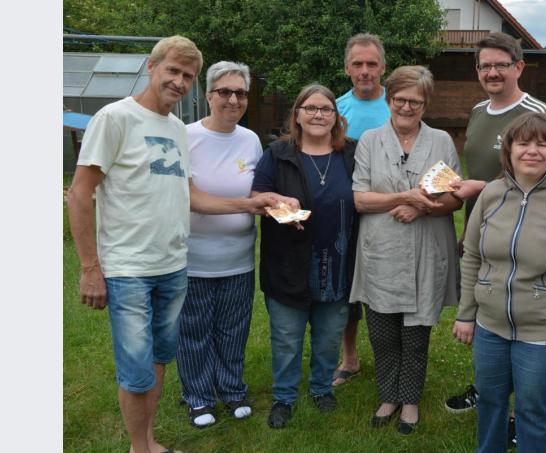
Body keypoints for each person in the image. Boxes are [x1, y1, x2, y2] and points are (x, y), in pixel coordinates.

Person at [67, 36, 275, 453]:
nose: (179, 82)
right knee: (137, 370)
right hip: (128, 268)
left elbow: (191, 196)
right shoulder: (115, 118)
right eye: (173, 71)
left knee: (160, 359)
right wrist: (91, 268)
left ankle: (146, 443)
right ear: (152, 66)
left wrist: (253, 204)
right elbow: (79, 192)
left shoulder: (176, 128)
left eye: (188, 76)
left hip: (173, 265)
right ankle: (139, 448)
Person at [452, 111, 546, 452]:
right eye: (523, 143)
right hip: (490, 326)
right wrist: (465, 313)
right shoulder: (491, 194)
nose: (532, 151)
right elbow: (473, 254)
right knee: (490, 401)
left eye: (543, 144)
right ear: (509, 150)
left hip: (545, 333)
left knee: (534, 410)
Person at [444, 31, 546, 445]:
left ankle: (514, 412)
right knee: (488, 314)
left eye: (500, 64)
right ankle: (488, 389)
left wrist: (481, 188)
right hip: (481, 232)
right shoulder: (477, 111)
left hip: (523, 238)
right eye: (485, 66)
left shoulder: (536, 111)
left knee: (516, 316)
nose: (492, 72)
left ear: (519, 67)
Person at [350, 65, 463, 435]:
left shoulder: (442, 141)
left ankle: (410, 400)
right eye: (400, 99)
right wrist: (404, 196)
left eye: (415, 101)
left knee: (415, 335)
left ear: (425, 103)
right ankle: (388, 396)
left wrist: (421, 207)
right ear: (389, 99)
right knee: (382, 333)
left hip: (425, 249)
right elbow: (360, 200)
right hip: (381, 248)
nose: (407, 107)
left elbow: (453, 198)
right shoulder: (369, 141)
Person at [176, 61, 287, 428]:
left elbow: (258, 190)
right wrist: (248, 205)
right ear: (208, 95)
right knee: (194, 330)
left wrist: (279, 203)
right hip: (194, 258)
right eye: (225, 91)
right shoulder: (185, 136)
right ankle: (198, 396)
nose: (233, 99)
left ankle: (231, 389)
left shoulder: (250, 139)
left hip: (238, 258)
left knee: (233, 329)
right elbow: (188, 197)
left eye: (240, 92)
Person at [251, 84, 359, 429]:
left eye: (325, 109)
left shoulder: (351, 154)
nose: (317, 114)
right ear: (297, 115)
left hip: (339, 262)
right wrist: (277, 202)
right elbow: (257, 196)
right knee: (286, 338)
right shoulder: (278, 153)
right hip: (287, 262)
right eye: (310, 108)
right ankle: (284, 397)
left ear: (335, 117)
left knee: (329, 337)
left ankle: (321, 388)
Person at [333, 32, 391, 386]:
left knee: (386, 286)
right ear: (347, 68)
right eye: (358, 64)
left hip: (391, 209)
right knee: (346, 286)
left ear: (383, 67)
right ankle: (349, 357)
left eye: (372, 63)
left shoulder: (397, 105)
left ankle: (391, 357)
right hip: (347, 212)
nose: (365, 71)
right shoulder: (336, 109)